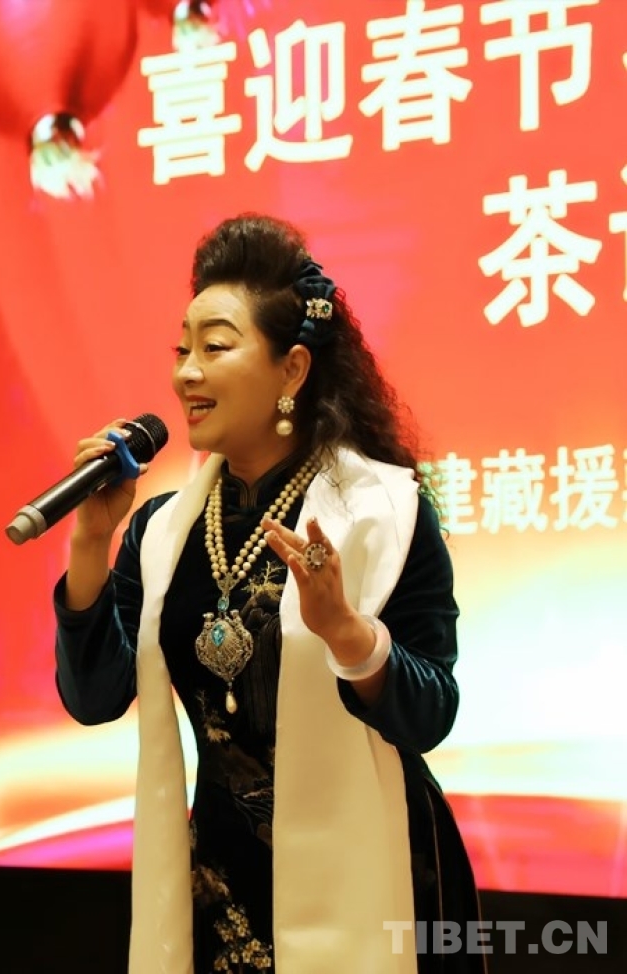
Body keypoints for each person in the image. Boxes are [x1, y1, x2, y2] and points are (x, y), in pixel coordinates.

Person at [54, 213, 485, 974]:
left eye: (215, 347)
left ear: (292, 371)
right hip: (222, 883)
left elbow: (432, 714)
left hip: (376, 874)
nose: (187, 373)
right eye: (182, 350)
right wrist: (92, 542)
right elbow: (94, 698)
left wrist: (348, 635)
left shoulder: (384, 511)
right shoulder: (161, 530)